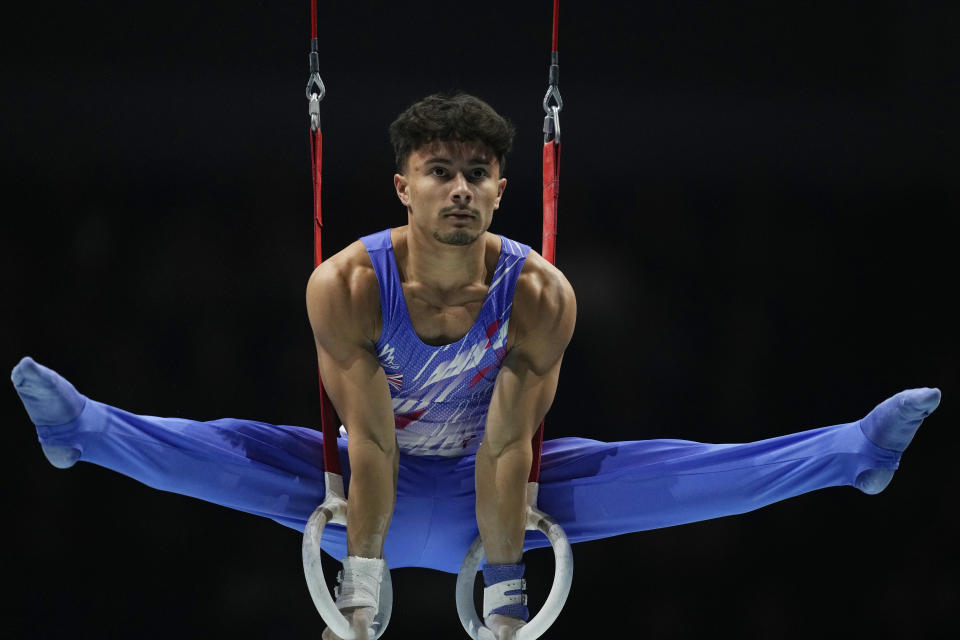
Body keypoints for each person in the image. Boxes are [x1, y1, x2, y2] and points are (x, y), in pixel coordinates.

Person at [12, 93, 941, 640]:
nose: (460, 187)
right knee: (233, 452)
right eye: (440, 169)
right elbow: (369, 437)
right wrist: (362, 579)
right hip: (357, 490)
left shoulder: (539, 294)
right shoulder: (346, 284)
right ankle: (83, 431)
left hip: (490, 496)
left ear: (502, 187)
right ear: (403, 186)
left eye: (478, 172)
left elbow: (507, 450)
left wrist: (505, 589)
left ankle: (854, 453)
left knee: (673, 471)